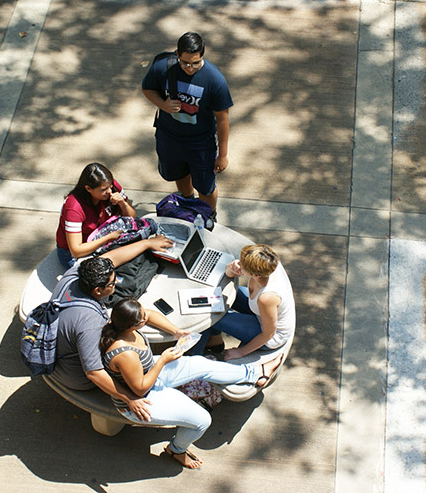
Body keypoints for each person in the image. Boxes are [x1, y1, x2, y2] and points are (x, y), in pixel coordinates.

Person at [100, 298, 283, 469]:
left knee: (200, 363)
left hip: (150, 373)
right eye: (142, 317)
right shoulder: (125, 354)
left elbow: (150, 314)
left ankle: (255, 373)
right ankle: (176, 450)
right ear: (133, 325)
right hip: (141, 398)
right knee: (202, 420)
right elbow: (140, 389)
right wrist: (163, 360)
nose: (146, 315)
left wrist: (176, 332)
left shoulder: (121, 323)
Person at [48, 236, 174, 422]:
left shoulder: (76, 276)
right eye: (112, 284)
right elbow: (94, 373)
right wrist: (129, 398)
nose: (116, 285)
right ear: (98, 291)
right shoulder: (90, 325)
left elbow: (111, 259)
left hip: (61, 346)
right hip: (74, 376)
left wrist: (146, 244)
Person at [141, 31, 233, 213]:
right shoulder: (163, 68)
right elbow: (147, 88)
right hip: (169, 136)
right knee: (179, 173)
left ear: (202, 56)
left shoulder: (214, 79)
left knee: (205, 185)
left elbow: (222, 119)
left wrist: (222, 155)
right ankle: (188, 203)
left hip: (200, 142)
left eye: (195, 63)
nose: (190, 68)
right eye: (185, 63)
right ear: (177, 54)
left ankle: (207, 216)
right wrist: (163, 105)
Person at [191, 244, 295, 360]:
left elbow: (268, 334)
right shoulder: (266, 265)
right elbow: (229, 274)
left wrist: (241, 352)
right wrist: (230, 269)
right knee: (215, 298)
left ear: (256, 275)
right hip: (260, 312)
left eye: (242, 264)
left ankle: (193, 358)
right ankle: (214, 342)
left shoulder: (267, 297)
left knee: (208, 316)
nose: (239, 263)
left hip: (270, 336)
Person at [56, 162, 137, 270]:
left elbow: (132, 218)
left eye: (110, 186)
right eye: (103, 190)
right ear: (88, 189)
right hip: (75, 253)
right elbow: (76, 251)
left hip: (103, 240)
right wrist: (108, 238)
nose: (109, 192)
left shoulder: (111, 186)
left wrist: (123, 204)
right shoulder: (74, 207)